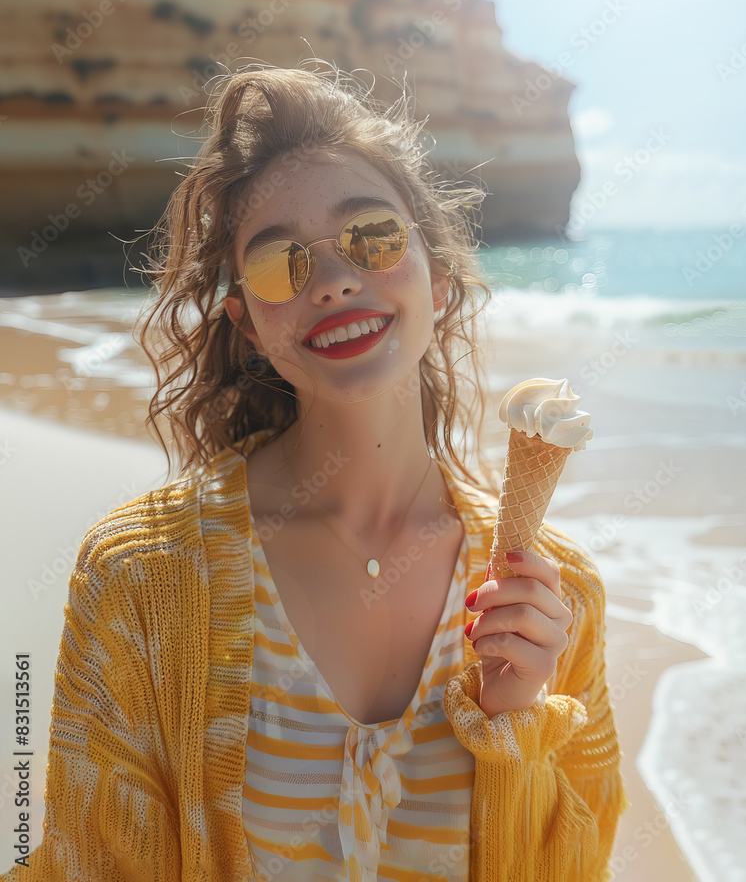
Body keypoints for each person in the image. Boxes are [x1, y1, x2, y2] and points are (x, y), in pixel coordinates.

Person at [1, 61, 628, 882]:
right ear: (249, 326)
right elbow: (93, 863)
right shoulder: (140, 577)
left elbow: (575, 866)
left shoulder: (555, 599)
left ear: (436, 280)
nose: (333, 280)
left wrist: (517, 723)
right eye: (277, 265)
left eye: (372, 237)